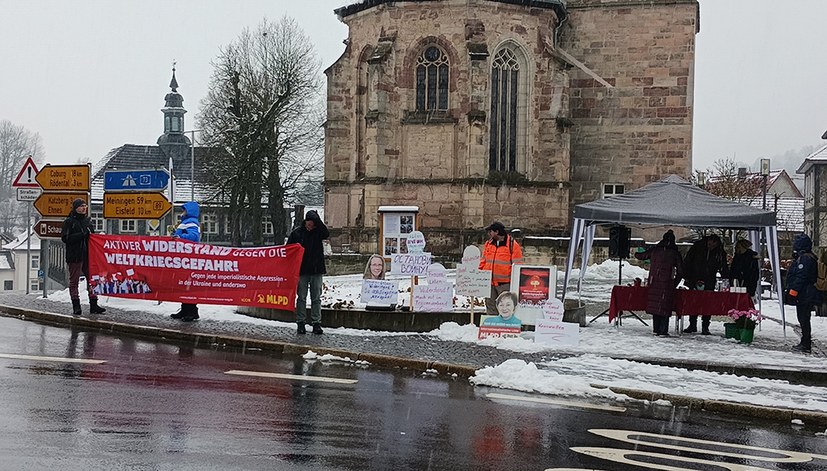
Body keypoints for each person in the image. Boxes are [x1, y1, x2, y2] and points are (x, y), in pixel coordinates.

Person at [61, 198, 106, 316]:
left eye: (85, 206)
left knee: (92, 280)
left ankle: (94, 304)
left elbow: (92, 237)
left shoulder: (87, 221)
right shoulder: (69, 222)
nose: (83, 208)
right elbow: (66, 238)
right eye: (81, 206)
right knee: (74, 281)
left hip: (88, 255)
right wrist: (82, 235)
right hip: (75, 255)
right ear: (75, 208)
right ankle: (76, 305)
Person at [634, 230, 683, 337]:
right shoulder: (674, 253)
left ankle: (656, 329)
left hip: (654, 282)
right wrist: (674, 283)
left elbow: (641, 256)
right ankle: (663, 330)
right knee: (664, 307)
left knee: (655, 306)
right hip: (667, 284)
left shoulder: (655, 250)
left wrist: (635, 252)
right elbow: (680, 271)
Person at [287, 210, 329, 335]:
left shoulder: (319, 232)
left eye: (313, 224)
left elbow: (326, 233)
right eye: (308, 223)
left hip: (316, 270)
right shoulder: (297, 233)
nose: (310, 226)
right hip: (302, 270)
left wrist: (318, 221)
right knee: (301, 297)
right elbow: (288, 249)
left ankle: (316, 323)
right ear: (305, 222)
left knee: (316, 297)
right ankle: (301, 322)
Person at [682, 234, 728, 334]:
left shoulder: (719, 252)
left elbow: (723, 265)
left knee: (707, 304)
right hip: (694, 278)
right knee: (694, 303)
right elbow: (688, 261)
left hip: (709, 280)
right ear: (708, 241)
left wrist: (726, 275)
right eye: (710, 244)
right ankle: (692, 324)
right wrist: (687, 276)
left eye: (714, 245)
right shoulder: (697, 247)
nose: (711, 247)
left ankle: (705, 326)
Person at [479, 221, 523, 315]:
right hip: (489, 282)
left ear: (497, 232)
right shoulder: (488, 244)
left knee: (505, 307)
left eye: (490, 231)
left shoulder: (512, 245)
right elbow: (483, 260)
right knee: (490, 306)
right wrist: (479, 274)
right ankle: (492, 326)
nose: (488, 234)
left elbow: (517, 265)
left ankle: (504, 327)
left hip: (504, 284)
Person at [786, 233, 820, 353]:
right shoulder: (807, 257)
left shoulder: (805, 258)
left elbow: (801, 277)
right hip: (805, 293)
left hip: (805, 294)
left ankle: (806, 343)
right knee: (803, 318)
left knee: (804, 318)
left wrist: (793, 292)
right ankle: (805, 342)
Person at [170, 202, 201, 322]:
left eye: (184, 210)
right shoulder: (186, 222)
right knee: (184, 285)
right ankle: (185, 309)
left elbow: (194, 237)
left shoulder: (191, 221)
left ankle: (192, 311)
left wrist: (179, 238)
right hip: (184, 257)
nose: (182, 212)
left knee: (188, 285)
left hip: (189, 257)